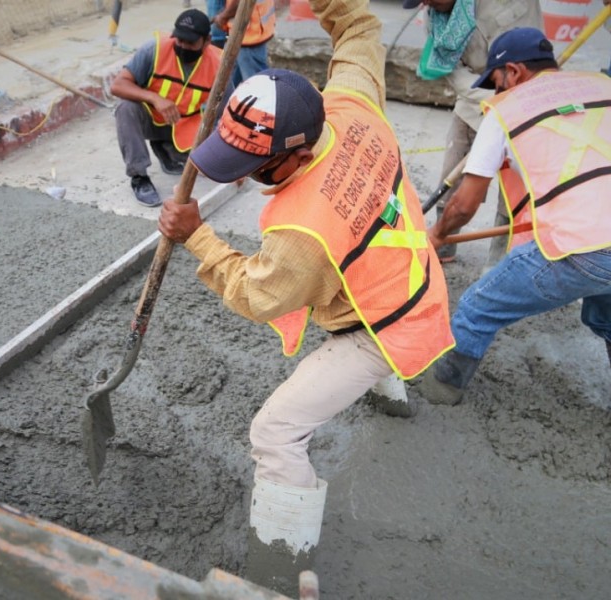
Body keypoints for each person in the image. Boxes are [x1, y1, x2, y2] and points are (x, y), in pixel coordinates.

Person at [157, 0, 454, 593]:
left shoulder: (303, 238)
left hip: (379, 321)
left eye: (254, 167)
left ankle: (279, 567)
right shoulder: (351, 102)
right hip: (407, 272)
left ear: (294, 154)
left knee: (274, 432)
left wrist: (198, 237)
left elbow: (255, 293)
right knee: (368, 323)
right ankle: (397, 399)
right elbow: (359, 26)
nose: (242, 176)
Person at [421, 27, 611, 406]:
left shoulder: (507, 109)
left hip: (583, 248)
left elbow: (464, 205)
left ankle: (440, 396)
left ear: (514, 71)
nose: (497, 92)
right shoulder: (601, 87)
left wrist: (436, 234)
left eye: (496, 82)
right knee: (605, 316)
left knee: (478, 307)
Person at [403, 0, 542, 268]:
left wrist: (503, 102)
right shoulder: (435, 18)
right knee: (452, 173)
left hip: (519, 99)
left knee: (513, 187)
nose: (426, 5)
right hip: (473, 99)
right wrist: (486, 98)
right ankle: (442, 242)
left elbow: (527, 58)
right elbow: (451, 70)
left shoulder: (502, 5)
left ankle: (501, 262)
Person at [109, 8, 223, 208]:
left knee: (207, 168)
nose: (183, 46)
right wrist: (154, 98)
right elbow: (118, 85)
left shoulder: (219, 63)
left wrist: (224, 156)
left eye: (190, 42)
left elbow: (226, 111)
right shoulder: (154, 50)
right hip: (152, 119)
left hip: (186, 126)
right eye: (180, 40)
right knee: (125, 108)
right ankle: (139, 177)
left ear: (206, 41)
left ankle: (166, 147)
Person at [211, 0, 276, 87]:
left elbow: (241, 3)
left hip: (249, 34)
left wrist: (223, 16)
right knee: (229, 82)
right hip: (247, 33)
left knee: (256, 85)